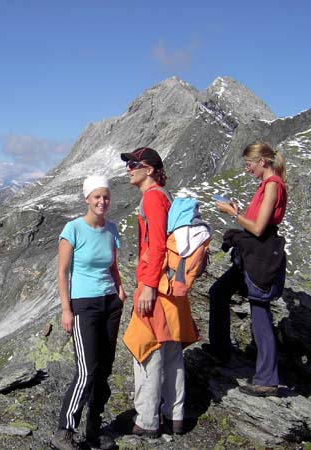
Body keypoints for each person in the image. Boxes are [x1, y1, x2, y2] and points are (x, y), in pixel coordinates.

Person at [120, 147, 200, 437]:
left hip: (156, 286)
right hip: (172, 288)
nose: (128, 168)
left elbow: (155, 246)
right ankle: (175, 416)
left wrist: (148, 287)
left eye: (134, 164)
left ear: (150, 169)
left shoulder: (152, 199)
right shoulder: (163, 197)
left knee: (147, 351)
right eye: (128, 164)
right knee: (170, 351)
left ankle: (147, 421)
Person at [51, 175, 125, 450]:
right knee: (87, 370)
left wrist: (119, 289)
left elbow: (113, 264)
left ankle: (94, 429)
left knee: (104, 369)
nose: (102, 201)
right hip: (84, 305)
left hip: (110, 304)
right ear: (87, 199)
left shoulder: (112, 229)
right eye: (96, 196)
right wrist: (66, 309)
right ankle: (64, 431)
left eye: (105, 196)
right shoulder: (73, 229)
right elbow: (62, 272)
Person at [207, 141, 287, 397]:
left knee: (260, 313)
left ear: (262, 162)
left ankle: (267, 380)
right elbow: (256, 221)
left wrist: (232, 213)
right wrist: (239, 211)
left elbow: (258, 228)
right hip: (252, 256)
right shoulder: (267, 184)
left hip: (260, 256)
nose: (247, 170)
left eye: (249, 164)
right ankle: (220, 350)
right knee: (219, 292)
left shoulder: (273, 185)